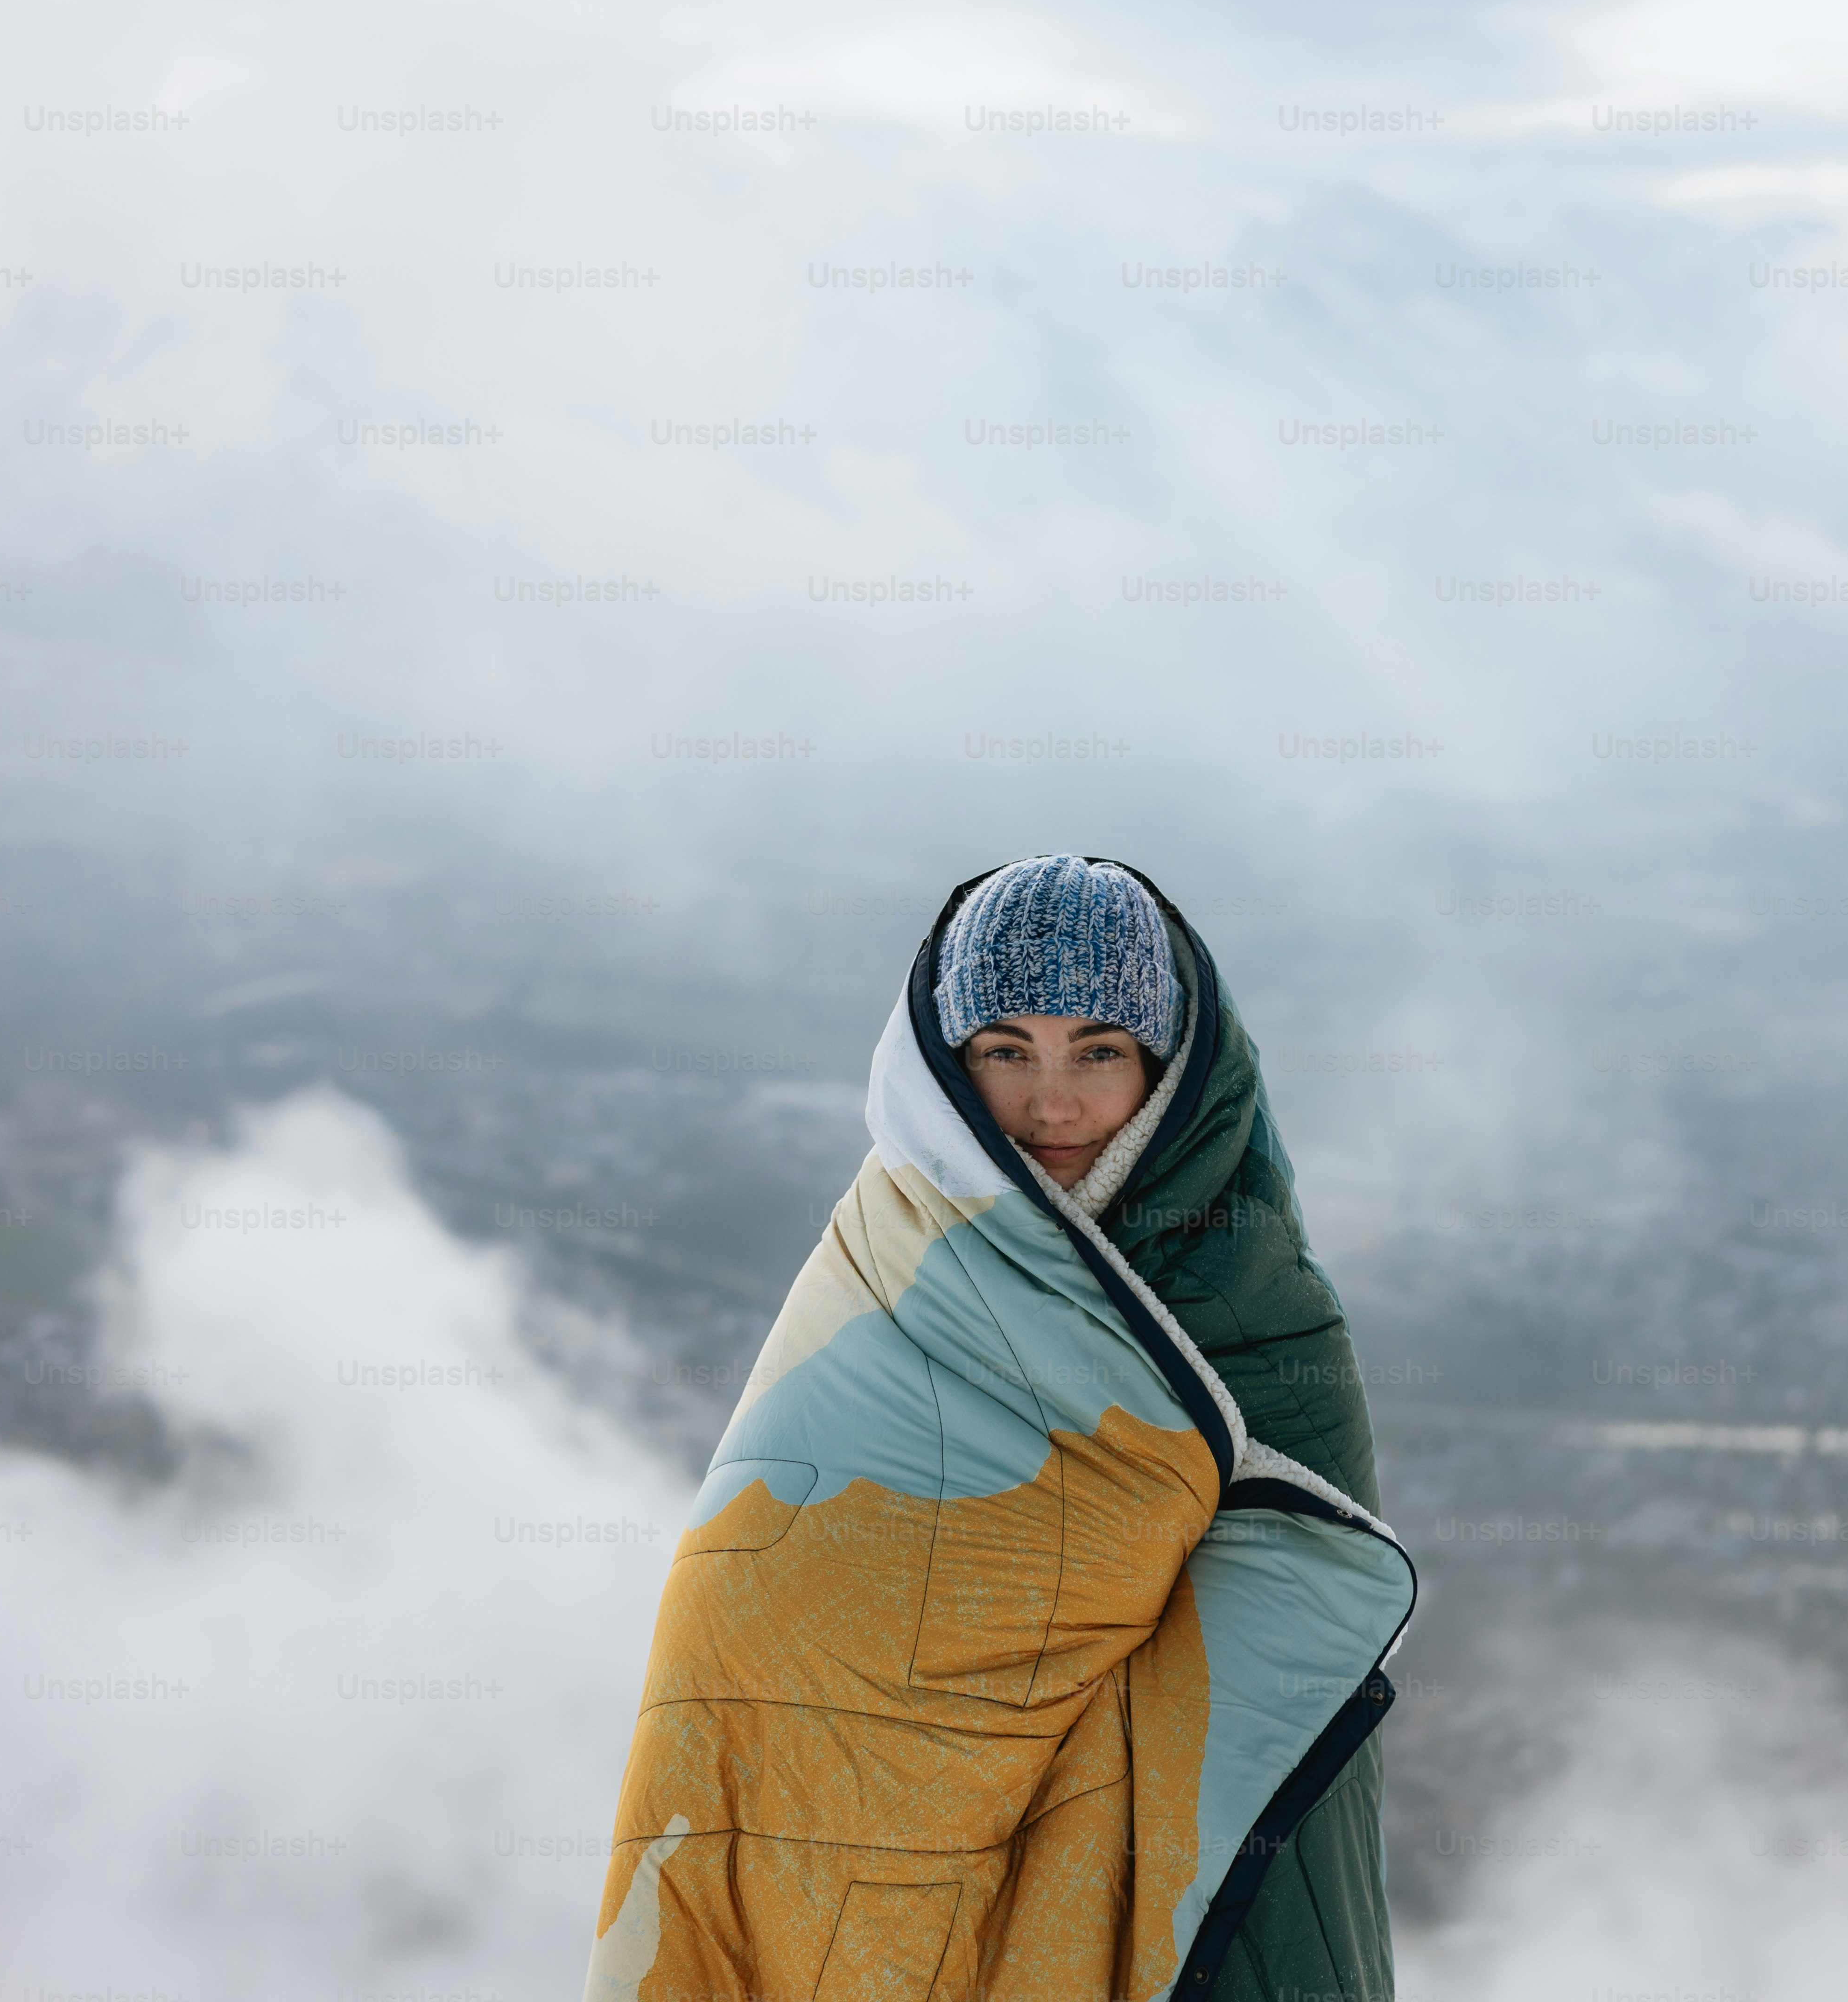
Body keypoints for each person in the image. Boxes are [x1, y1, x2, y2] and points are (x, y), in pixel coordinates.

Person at [586, 854, 1412, 2002]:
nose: (1051, 1103)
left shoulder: (1262, 1309)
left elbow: (1285, 1643)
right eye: (1006, 1050)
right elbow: (748, 1596)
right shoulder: (892, 1250)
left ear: (1172, 1069)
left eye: (1100, 1051)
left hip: (1156, 1863)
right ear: (949, 1060)